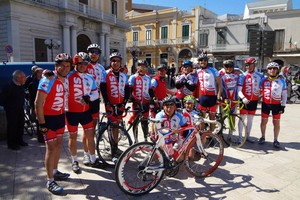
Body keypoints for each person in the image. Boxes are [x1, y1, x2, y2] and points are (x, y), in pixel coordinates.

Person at [35, 53, 72, 195]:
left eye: (67, 65)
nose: (65, 68)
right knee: (50, 149)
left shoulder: (65, 79)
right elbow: (38, 103)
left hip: (60, 117)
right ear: (56, 66)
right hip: (48, 119)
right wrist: (42, 123)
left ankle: (55, 171)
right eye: (61, 65)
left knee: (58, 146)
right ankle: (50, 181)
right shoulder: (48, 79)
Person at [66, 53, 104, 174]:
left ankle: (93, 159)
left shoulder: (89, 77)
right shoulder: (68, 77)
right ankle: (74, 161)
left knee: (90, 134)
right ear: (75, 64)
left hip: (85, 112)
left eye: (85, 63)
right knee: (72, 137)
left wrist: (89, 98)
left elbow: (96, 93)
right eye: (80, 63)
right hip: (71, 112)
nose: (83, 66)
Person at [101, 52, 130, 159]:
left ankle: (115, 147)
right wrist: (107, 103)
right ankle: (113, 149)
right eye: (113, 61)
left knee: (116, 127)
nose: (115, 63)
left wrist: (124, 103)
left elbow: (127, 91)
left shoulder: (124, 75)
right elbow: (103, 90)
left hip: (120, 104)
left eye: (117, 61)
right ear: (110, 62)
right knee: (111, 126)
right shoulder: (106, 73)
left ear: (120, 63)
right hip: (110, 104)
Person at [84, 44, 107, 166]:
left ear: (99, 54)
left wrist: (106, 101)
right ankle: (86, 154)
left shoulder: (101, 68)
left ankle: (91, 153)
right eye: (91, 51)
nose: (93, 54)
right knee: (86, 129)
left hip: (95, 101)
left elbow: (103, 86)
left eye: (96, 52)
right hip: (84, 101)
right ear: (88, 53)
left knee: (92, 128)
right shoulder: (84, 66)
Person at [259, 62, 287, 148]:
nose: (272, 70)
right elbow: (258, 90)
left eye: (274, 68)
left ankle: (275, 139)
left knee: (276, 123)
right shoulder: (263, 80)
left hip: (276, 105)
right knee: (264, 121)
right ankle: (263, 137)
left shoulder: (282, 80)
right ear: (267, 70)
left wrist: (283, 105)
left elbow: (285, 94)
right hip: (265, 104)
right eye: (270, 68)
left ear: (277, 70)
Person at [237, 57, 264, 143]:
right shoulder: (243, 76)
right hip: (244, 100)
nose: (248, 67)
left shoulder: (259, 75)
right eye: (246, 65)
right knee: (242, 118)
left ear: (254, 65)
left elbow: (264, 86)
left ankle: (247, 136)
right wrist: (243, 98)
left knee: (250, 119)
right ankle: (240, 137)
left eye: (249, 65)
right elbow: (238, 90)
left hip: (254, 101)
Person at [128, 60, 155, 142]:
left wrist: (153, 99)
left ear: (146, 68)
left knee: (144, 122)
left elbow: (150, 91)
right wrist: (133, 100)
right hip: (136, 103)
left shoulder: (148, 78)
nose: (142, 68)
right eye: (140, 66)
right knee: (135, 122)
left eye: (144, 66)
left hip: (146, 102)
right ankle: (135, 140)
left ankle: (145, 139)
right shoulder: (133, 77)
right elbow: (129, 91)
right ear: (137, 67)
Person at [196, 53, 223, 130]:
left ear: (207, 61)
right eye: (201, 60)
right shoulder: (197, 72)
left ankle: (211, 136)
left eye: (205, 60)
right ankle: (202, 137)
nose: (203, 62)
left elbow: (220, 84)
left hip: (212, 98)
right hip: (202, 98)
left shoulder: (213, 70)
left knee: (212, 119)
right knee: (202, 120)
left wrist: (218, 96)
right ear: (199, 62)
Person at [2, 70, 27, 150]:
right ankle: (11, 143)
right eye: (23, 77)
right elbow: (3, 99)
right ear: (17, 78)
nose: (25, 78)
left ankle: (19, 140)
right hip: (12, 110)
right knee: (12, 126)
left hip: (20, 108)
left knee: (20, 125)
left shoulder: (21, 85)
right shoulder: (9, 86)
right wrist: (10, 108)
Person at [28, 67, 44, 143]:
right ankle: (41, 138)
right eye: (40, 72)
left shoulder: (44, 81)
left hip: (45, 105)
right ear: (36, 73)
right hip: (37, 105)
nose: (41, 74)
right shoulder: (33, 83)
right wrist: (32, 107)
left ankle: (45, 135)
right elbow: (32, 97)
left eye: (42, 72)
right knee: (39, 122)